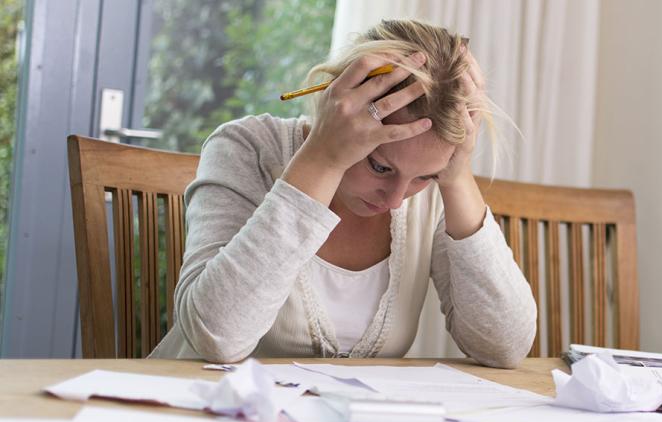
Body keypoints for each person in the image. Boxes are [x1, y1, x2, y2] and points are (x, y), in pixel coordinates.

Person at [149, 19, 537, 368]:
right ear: (339, 108)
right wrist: (322, 159)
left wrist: (454, 179)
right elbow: (217, 337)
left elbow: (504, 346)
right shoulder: (247, 147)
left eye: (425, 177)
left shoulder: (434, 189)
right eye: (380, 167)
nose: (396, 200)